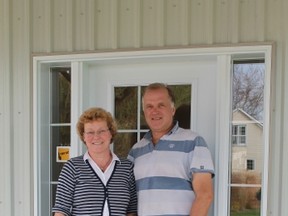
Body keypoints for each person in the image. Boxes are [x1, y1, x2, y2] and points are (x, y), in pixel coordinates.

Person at [128, 83, 214, 216]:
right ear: (144, 112)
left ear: (172, 109)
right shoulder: (136, 150)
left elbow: (204, 195)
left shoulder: (194, 142)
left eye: (161, 105)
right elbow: (131, 201)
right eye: (149, 106)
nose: (154, 111)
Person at [53, 107, 137, 216]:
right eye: (90, 132)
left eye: (101, 131)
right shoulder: (72, 167)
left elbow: (132, 210)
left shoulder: (127, 168)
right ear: (83, 136)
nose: (96, 137)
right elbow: (61, 211)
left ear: (111, 133)